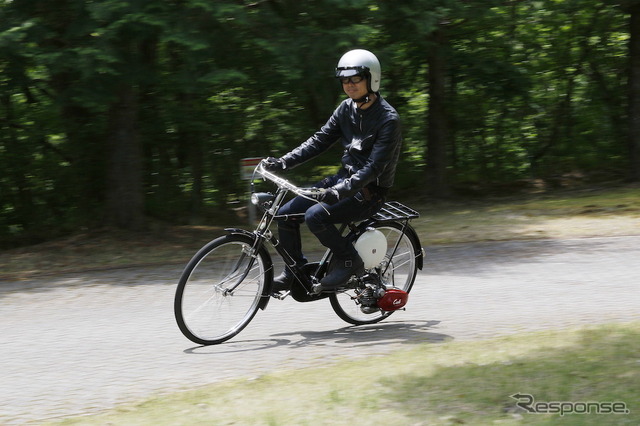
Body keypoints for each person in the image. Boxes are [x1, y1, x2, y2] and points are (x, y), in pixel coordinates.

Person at [263, 49, 402, 293]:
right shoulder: (345, 108)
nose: (349, 85)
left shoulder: (388, 119)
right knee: (285, 214)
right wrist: (283, 162)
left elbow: (375, 167)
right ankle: (293, 272)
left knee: (315, 216)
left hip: (370, 192)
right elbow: (318, 141)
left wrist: (340, 191)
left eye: (355, 79)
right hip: (343, 181)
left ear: (372, 79)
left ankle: (349, 261)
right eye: (344, 80)